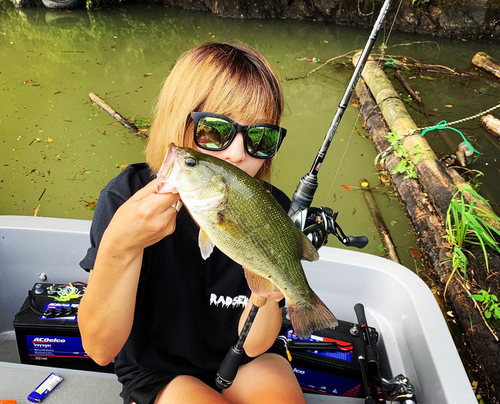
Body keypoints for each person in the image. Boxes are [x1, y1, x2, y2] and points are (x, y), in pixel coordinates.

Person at [78, 42, 307, 404]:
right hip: (158, 370)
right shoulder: (125, 199)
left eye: (260, 137)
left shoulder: (271, 209)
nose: (237, 152)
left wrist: (269, 293)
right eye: (216, 131)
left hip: (244, 356)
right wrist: (121, 246)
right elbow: (100, 349)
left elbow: (253, 345)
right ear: (177, 119)